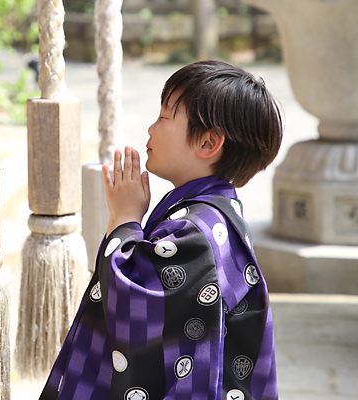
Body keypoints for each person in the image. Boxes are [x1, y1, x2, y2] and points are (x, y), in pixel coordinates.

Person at [38, 60, 283, 400]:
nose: (151, 128)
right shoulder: (215, 214)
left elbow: (134, 304)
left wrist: (126, 218)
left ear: (208, 143)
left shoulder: (197, 232)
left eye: (165, 117)